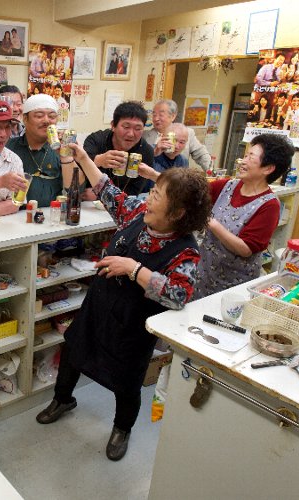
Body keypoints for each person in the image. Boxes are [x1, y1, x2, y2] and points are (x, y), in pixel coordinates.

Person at [35, 139, 211, 462]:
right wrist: (85, 158)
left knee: (127, 381)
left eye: (158, 194)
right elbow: (106, 190)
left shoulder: (186, 250)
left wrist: (133, 269)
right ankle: (63, 399)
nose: (150, 197)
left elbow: (177, 294)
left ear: (178, 212)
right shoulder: (138, 214)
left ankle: (122, 428)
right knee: (74, 350)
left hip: (133, 325)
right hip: (99, 306)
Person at [193, 134, 294, 299]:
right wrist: (156, 175)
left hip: (234, 285)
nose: (243, 161)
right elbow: (192, 190)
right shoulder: (227, 186)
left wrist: (211, 223)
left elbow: (246, 249)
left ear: (268, 168)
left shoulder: (269, 205)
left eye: (251, 157)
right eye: (245, 155)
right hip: (203, 275)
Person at [5, 94, 75, 207]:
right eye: (39, 116)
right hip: (14, 216)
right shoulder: (8, 148)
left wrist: (67, 157)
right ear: (25, 119)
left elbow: (76, 189)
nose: (47, 121)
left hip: (51, 216)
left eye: (52, 116)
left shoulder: (62, 149)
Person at [84, 100, 155, 196]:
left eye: (138, 129)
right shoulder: (96, 140)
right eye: (126, 127)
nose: (131, 134)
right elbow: (78, 167)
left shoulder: (146, 152)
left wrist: (104, 195)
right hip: (88, 205)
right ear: (113, 125)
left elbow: (134, 190)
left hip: (121, 205)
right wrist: (98, 160)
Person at [142, 99, 212, 171]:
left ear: (173, 116)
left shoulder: (187, 133)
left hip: (178, 176)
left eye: (161, 115)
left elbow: (201, 154)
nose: (156, 119)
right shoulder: (144, 135)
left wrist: (210, 171)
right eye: (154, 115)